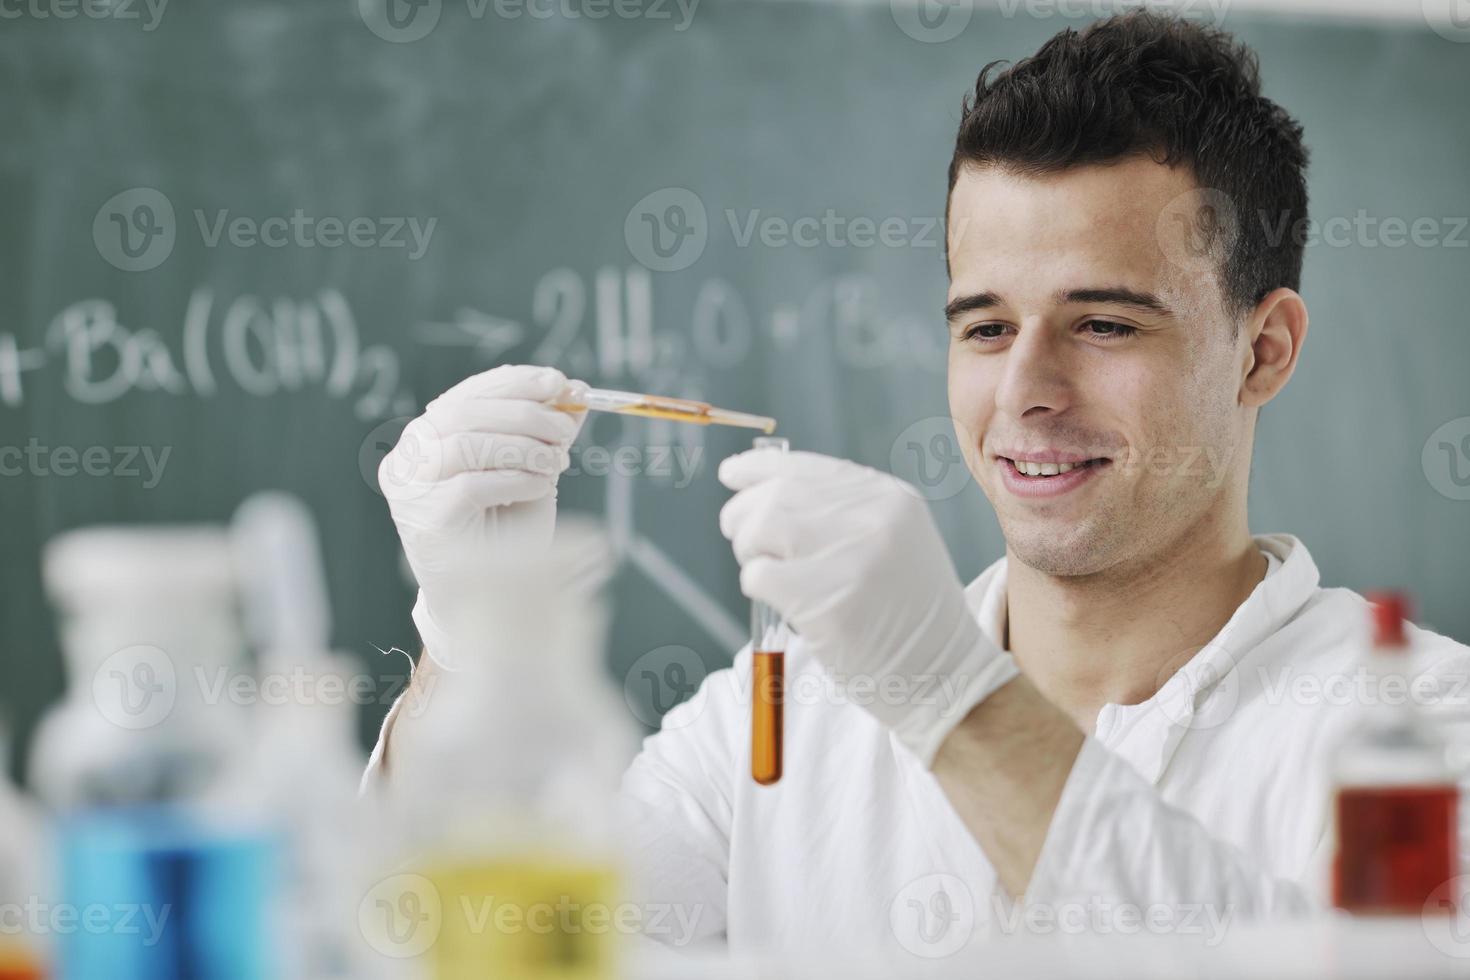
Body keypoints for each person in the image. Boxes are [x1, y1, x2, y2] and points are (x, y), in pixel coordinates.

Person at [364, 10, 1470, 955]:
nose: (1026, 390)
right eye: (986, 326)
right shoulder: (787, 705)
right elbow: (497, 949)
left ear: (1264, 349)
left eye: (1101, 322)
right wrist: (473, 656)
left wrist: (953, 700)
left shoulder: (1420, 730)